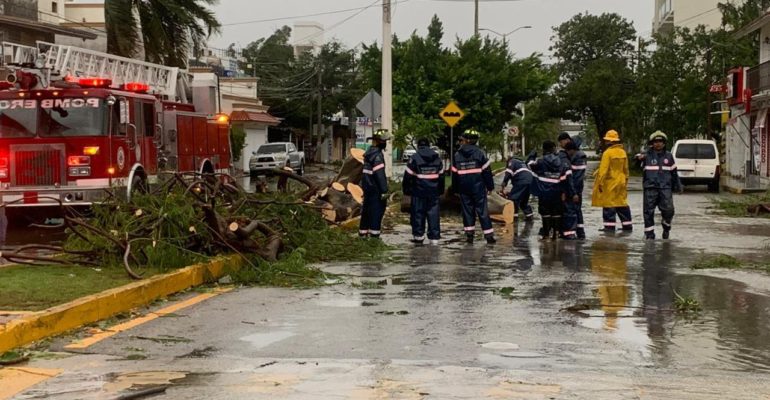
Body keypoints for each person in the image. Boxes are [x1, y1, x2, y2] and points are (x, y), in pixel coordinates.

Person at [635, 131, 682, 240]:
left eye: (660, 141)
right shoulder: (646, 156)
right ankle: (649, 235)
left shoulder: (669, 156)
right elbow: (636, 163)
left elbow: (674, 172)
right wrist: (638, 159)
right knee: (648, 212)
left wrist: (678, 186)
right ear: (652, 143)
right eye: (656, 141)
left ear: (664, 143)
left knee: (669, 210)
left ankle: (666, 226)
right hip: (650, 188)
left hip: (665, 188)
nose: (658, 144)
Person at [452, 129, 496, 244]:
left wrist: (456, 189)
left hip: (463, 188)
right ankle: (489, 236)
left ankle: (469, 235)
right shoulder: (480, 153)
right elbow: (487, 172)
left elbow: (454, 175)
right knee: (482, 211)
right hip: (478, 188)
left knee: (467, 211)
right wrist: (490, 187)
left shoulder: (457, 155)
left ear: (465, 140)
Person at [403, 138, 445, 245]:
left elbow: (407, 177)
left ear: (418, 146)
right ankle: (434, 239)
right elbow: (441, 177)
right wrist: (440, 191)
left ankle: (418, 237)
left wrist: (407, 191)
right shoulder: (437, 158)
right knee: (434, 215)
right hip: (433, 192)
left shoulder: (414, 158)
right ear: (429, 145)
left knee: (418, 214)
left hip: (418, 192)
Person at [528, 140, 572, 240]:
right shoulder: (561, 161)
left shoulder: (540, 161)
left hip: (544, 192)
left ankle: (546, 234)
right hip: (557, 191)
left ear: (544, 149)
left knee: (545, 212)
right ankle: (556, 234)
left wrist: (532, 154)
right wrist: (566, 192)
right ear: (554, 148)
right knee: (557, 212)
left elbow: (529, 164)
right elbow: (567, 177)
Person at [592, 130, 633, 232]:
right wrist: (625, 181)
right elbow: (626, 169)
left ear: (609, 141)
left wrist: (600, 184)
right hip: (621, 181)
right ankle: (627, 226)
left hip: (609, 182)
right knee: (621, 203)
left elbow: (603, 170)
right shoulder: (623, 152)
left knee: (608, 205)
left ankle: (609, 227)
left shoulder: (607, 153)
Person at [359, 129, 391, 239]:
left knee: (366, 213)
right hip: (376, 190)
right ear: (378, 142)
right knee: (376, 214)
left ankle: (363, 235)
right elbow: (380, 175)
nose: (385, 143)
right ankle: (374, 238)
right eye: (384, 141)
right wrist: (384, 190)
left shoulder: (369, 154)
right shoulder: (377, 156)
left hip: (367, 189)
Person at [557, 132, 587, 239]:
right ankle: (579, 232)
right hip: (572, 188)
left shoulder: (578, 156)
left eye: (561, 142)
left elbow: (576, 177)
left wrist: (573, 192)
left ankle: (575, 233)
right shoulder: (571, 154)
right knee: (575, 210)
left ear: (567, 140)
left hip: (574, 189)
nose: (561, 145)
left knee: (573, 210)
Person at [501, 156, 535, 222]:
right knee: (523, 201)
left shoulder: (512, 161)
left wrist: (504, 183)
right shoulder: (522, 163)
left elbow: (508, 173)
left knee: (512, 199)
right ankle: (529, 216)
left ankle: (514, 217)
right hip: (530, 181)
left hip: (522, 181)